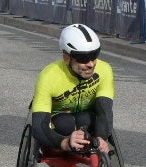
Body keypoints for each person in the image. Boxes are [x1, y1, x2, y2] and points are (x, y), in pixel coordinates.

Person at [31, 24, 115, 157]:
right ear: (66, 58)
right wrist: (65, 143)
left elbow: (105, 111)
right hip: (59, 124)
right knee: (65, 123)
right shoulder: (48, 76)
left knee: (87, 119)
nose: (91, 64)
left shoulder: (104, 70)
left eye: (94, 55)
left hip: (86, 121)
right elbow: (38, 126)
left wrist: (101, 137)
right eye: (83, 58)